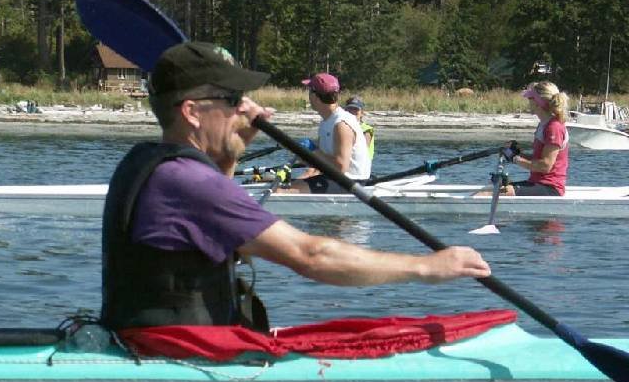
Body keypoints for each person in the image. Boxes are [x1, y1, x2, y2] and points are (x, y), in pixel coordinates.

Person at [100, 41, 491, 332]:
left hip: (153, 338)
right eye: (232, 99)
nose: (244, 108)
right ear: (192, 112)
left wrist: (233, 151)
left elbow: (215, 218)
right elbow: (311, 255)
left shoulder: (148, 162)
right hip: (178, 352)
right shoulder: (191, 182)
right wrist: (427, 266)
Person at [282, 73, 371, 194]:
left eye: (309, 91)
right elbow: (323, 161)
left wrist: (312, 151)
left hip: (351, 183)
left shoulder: (341, 124)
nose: (308, 96)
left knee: (280, 192)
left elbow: (341, 167)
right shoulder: (327, 121)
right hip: (334, 178)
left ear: (315, 96)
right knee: (284, 187)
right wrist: (303, 156)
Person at [477, 81, 569, 197]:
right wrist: (516, 154)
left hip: (550, 188)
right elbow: (537, 160)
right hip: (536, 183)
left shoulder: (554, 127)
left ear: (538, 102)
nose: (528, 102)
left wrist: (515, 159)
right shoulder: (544, 124)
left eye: (530, 98)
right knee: (492, 186)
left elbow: (545, 166)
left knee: (489, 192)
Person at [344, 96, 375, 161]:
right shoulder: (342, 127)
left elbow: (361, 151)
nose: (352, 111)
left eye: (356, 109)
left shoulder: (366, 130)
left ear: (362, 113)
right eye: (350, 109)